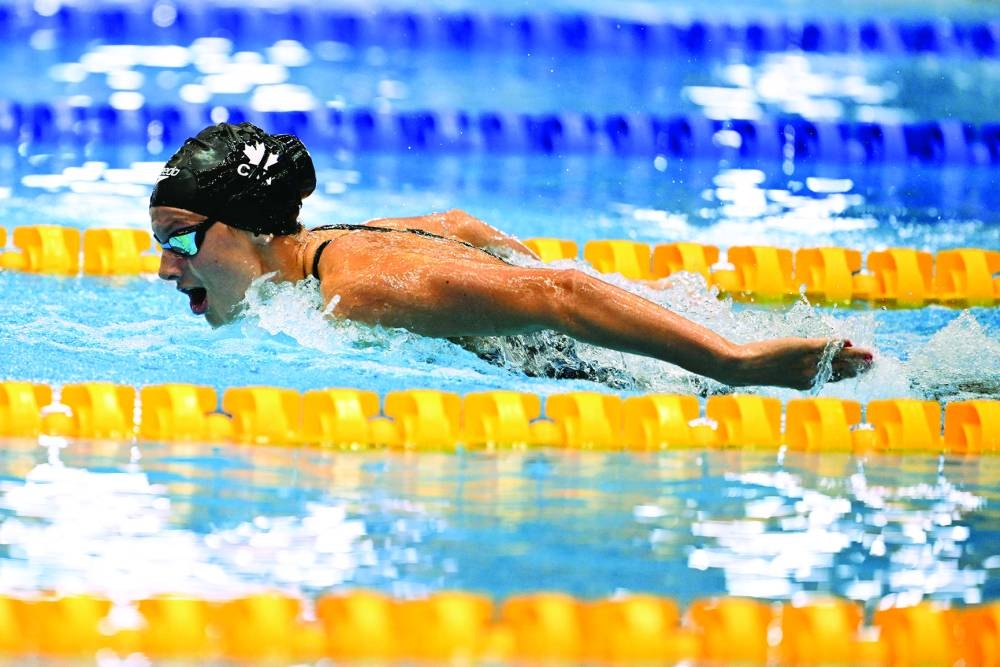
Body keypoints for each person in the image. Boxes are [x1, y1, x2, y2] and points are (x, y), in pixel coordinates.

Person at [149, 122, 874, 390]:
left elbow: (557, 293)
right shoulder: (343, 241)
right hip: (642, 334)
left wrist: (736, 363)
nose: (165, 266)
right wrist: (524, 278)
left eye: (180, 239)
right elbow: (459, 224)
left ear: (244, 225)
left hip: (642, 371)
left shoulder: (354, 287)